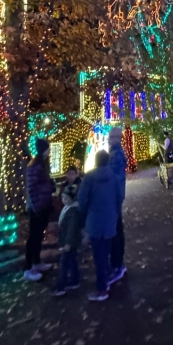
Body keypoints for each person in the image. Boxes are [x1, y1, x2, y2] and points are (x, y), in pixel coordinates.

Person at [77, 149, 123, 302]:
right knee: (106, 251)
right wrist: (115, 212)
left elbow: (82, 199)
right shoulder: (114, 176)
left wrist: (84, 212)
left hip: (94, 220)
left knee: (98, 255)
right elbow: (119, 196)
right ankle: (106, 277)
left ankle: (102, 289)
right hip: (110, 219)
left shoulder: (89, 178)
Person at [24, 138, 55, 281]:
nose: (49, 151)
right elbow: (32, 188)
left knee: (38, 236)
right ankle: (29, 267)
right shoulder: (35, 166)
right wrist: (37, 205)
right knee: (34, 236)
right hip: (37, 207)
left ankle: (37, 261)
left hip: (43, 205)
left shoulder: (42, 164)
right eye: (48, 149)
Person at [52, 185, 82, 297]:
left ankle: (61, 286)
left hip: (69, 242)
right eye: (62, 198)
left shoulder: (72, 212)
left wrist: (68, 243)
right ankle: (75, 280)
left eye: (65, 198)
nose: (63, 200)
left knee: (64, 263)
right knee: (72, 260)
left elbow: (71, 229)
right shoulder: (67, 209)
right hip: (68, 241)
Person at [107, 127, 127, 285]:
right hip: (115, 196)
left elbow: (113, 177)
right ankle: (118, 262)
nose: (109, 140)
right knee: (117, 228)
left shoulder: (116, 155)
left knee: (115, 230)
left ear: (116, 138)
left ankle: (117, 264)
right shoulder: (115, 153)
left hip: (114, 197)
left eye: (111, 137)